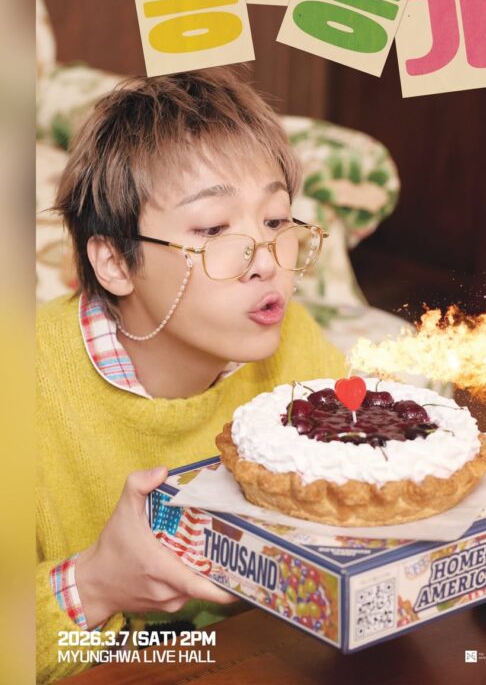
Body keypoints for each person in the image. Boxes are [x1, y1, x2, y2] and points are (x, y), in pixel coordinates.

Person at [36, 68, 346, 683]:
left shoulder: (295, 346)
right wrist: (93, 585)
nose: (266, 262)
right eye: (212, 229)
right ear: (115, 262)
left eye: (275, 221)